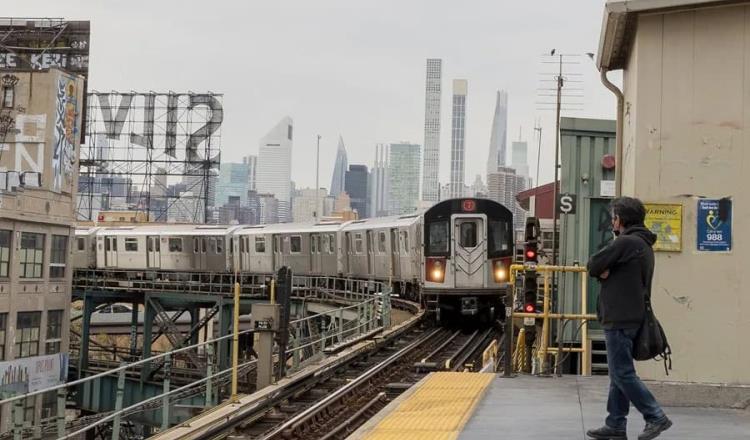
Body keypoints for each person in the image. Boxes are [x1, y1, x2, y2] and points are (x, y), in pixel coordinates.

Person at [586, 197, 672, 440]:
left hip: (620, 318)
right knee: (618, 375)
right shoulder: (643, 244)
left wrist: (603, 272)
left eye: (614, 217)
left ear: (620, 219)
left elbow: (593, 265)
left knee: (622, 373)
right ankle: (615, 424)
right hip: (632, 317)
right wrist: (605, 272)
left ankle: (655, 416)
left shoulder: (626, 242)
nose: (612, 222)